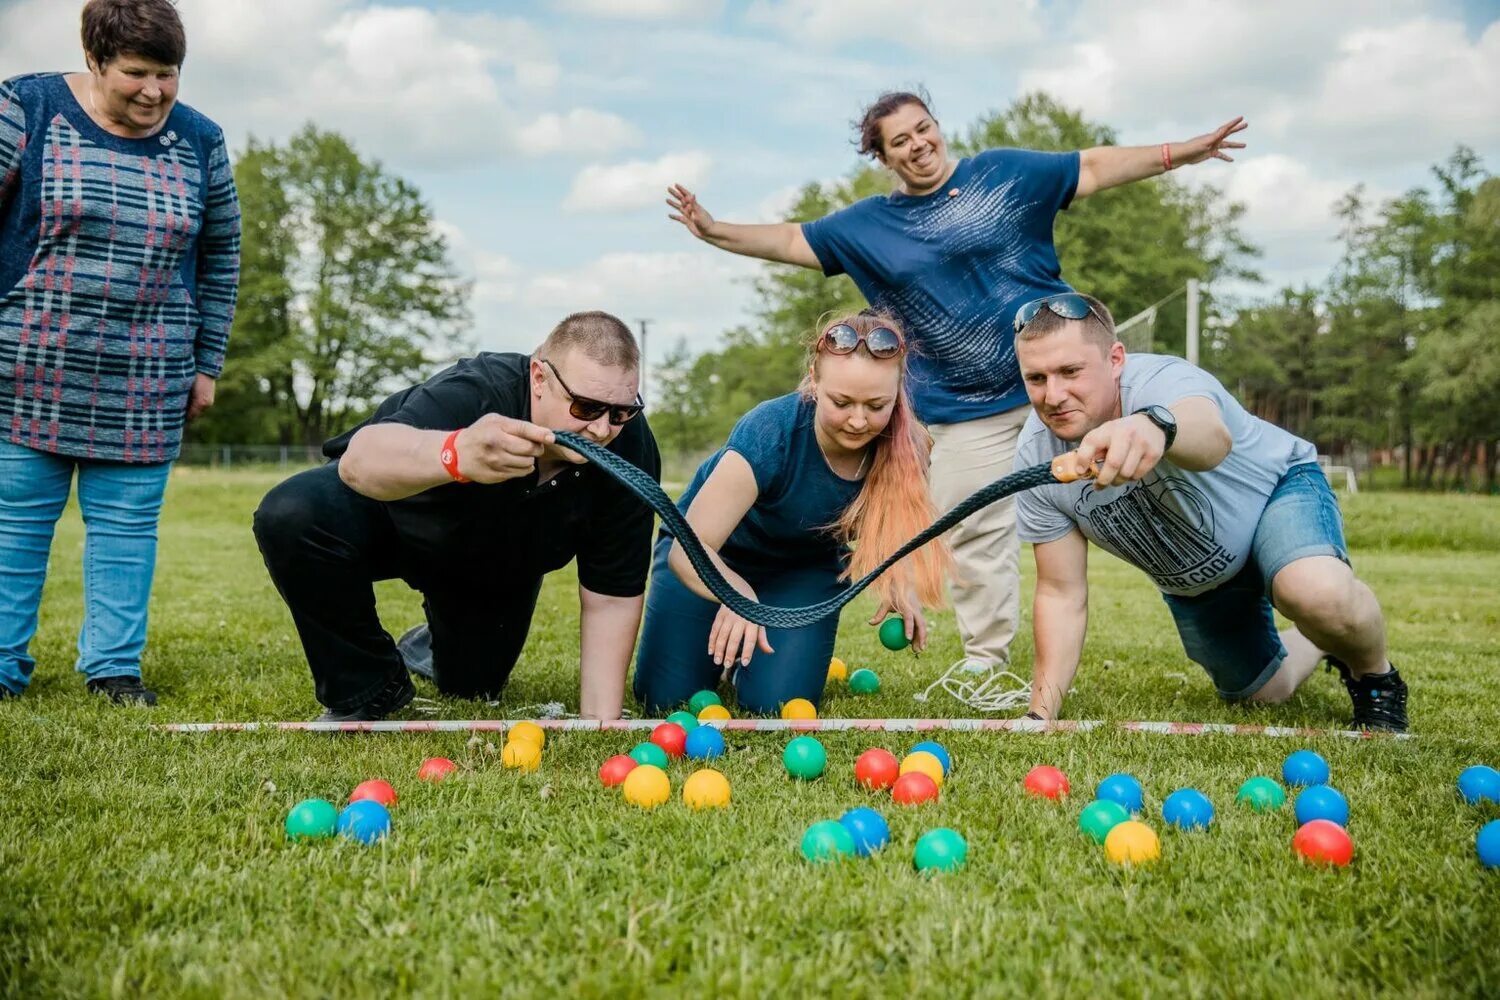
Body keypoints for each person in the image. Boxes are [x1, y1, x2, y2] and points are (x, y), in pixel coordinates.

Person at [667, 90, 1246, 681]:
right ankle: (984, 662)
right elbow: (792, 239)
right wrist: (715, 230)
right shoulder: (867, 226)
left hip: (1058, 386)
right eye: (900, 141)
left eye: (923, 129)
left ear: (938, 127)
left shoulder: (1006, 174)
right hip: (968, 411)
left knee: (1149, 474)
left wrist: (1181, 152)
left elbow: (1093, 167)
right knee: (974, 526)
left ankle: (1245, 555)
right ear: (884, 158)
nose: (918, 145)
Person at [1010, 292, 1408, 732]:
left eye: (1070, 372)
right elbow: (1061, 593)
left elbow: (1210, 438)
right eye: (1037, 378)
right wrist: (1040, 713)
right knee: (1264, 692)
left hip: (1276, 494)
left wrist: (1157, 426)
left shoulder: (1163, 381)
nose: (1054, 395)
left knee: (1315, 591)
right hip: (1201, 579)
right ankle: (1324, 638)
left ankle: (1375, 676)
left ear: (1116, 358)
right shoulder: (1035, 462)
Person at [0, 0, 241, 705]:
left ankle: (112, 670)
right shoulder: (26, 106)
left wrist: (206, 364)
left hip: (148, 374)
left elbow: (221, 253)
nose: (154, 91)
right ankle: (3, 665)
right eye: (136, 73)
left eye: (167, 75)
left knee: (127, 531)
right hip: (26, 365)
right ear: (96, 60)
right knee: (13, 527)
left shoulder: (200, 140)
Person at [253, 312, 660, 722]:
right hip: (394, 520)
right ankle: (368, 687)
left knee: (472, 686)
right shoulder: (479, 390)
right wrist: (456, 452)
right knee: (292, 513)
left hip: (493, 566)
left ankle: (428, 644)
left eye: (622, 412)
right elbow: (359, 462)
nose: (603, 429)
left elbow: (611, 597)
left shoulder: (630, 452)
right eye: (586, 407)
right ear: (539, 378)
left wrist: (600, 723)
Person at [632, 312, 949, 714]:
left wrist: (899, 585)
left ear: (897, 393)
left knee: (776, 705)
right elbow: (687, 550)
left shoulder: (909, 446)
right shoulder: (768, 432)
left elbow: (893, 524)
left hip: (801, 571)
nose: (857, 420)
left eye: (876, 405)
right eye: (841, 401)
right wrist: (739, 597)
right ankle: (723, 647)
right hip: (709, 558)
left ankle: (751, 664)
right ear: (814, 379)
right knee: (663, 701)